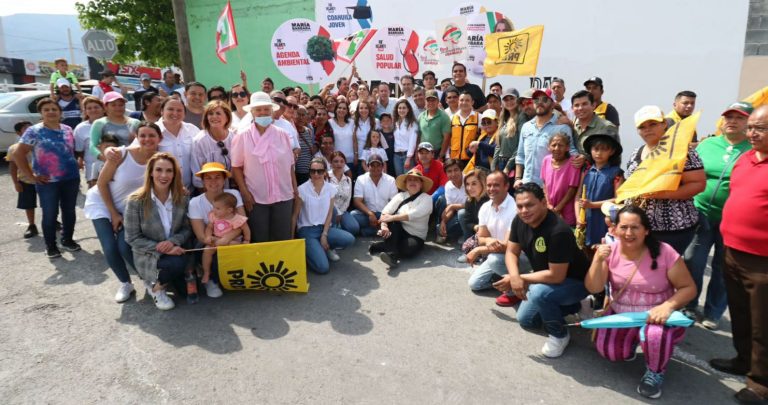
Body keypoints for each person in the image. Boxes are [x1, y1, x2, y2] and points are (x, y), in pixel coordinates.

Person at [585, 205, 696, 399]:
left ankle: (655, 371)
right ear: (614, 229)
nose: (629, 233)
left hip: (657, 317)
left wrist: (667, 306)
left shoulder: (665, 252)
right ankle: (635, 340)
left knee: (654, 335)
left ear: (646, 230)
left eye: (635, 227)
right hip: (622, 315)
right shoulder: (609, 250)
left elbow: (689, 288)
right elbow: (593, 288)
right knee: (610, 353)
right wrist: (597, 260)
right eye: (624, 227)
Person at [711, 105, 768, 403]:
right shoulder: (745, 158)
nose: (753, 133)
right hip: (733, 251)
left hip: (763, 260)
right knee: (741, 313)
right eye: (752, 128)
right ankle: (743, 359)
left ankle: (760, 384)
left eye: (760, 128)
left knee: (763, 323)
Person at [493, 183, 590, 358]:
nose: (524, 210)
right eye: (520, 206)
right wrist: (515, 277)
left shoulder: (558, 231)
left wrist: (520, 278)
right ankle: (576, 306)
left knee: (538, 293)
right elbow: (511, 251)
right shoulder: (519, 220)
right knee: (527, 320)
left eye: (529, 205)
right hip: (547, 278)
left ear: (543, 203)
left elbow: (557, 275)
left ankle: (559, 335)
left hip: (575, 281)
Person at [683, 102, 752, 329]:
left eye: (738, 118)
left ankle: (713, 312)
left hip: (733, 220)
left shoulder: (754, 151)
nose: (731, 121)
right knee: (693, 261)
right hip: (700, 213)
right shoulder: (707, 144)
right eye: (728, 117)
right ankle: (689, 305)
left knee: (725, 268)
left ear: (749, 123)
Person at [84, 122, 161, 303]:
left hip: (130, 209)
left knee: (125, 246)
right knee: (110, 247)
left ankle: (149, 282)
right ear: (136, 137)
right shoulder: (121, 154)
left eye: (152, 135)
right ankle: (125, 283)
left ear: (159, 138)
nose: (147, 139)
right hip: (102, 203)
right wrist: (113, 213)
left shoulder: (160, 159)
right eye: (142, 135)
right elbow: (101, 184)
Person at [626, 106, 705, 255]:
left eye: (653, 124)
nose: (647, 129)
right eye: (642, 127)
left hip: (672, 230)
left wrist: (661, 194)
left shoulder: (682, 151)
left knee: (665, 273)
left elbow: (698, 184)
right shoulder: (636, 153)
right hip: (639, 228)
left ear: (664, 124)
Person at [13, 98, 81, 258]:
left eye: (54, 109)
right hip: (47, 182)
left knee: (69, 212)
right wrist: (32, 176)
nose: (51, 112)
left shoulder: (67, 129)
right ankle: (51, 246)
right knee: (50, 214)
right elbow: (18, 154)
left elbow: (71, 151)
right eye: (46, 109)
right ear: (41, 113)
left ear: (60, 112)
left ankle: (67, 240)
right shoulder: (34, 131)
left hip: (71, 178)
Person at [124, 153, 192, 311]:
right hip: (148, 252)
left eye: (169, 171)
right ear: (151, 172)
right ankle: (155, 288)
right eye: (159, 170)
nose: (164, 175)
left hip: (175, 247)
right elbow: (132, 237)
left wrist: (172, 242)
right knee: (177, 263)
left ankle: (167, 278)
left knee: (185, 293)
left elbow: (187, 228)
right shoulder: (135, 201)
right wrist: (161, 247)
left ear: (174, 174)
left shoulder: (182, 197)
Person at [232, 92, 297, 243]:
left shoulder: (283, 135)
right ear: (252, 112)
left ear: (272, 111)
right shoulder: (242, 136)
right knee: (260, 237)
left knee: (282, 237)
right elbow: (236, 167)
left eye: (266, 109)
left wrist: (295, 189)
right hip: (256, 196)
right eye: (258, 109)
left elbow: (290, 165)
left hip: (283, 194)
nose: (263, 113)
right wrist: (245, 192)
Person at [188, 163, 245, 298]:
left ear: (224, 179)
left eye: (217, 177)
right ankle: (211, 280)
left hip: (232, 237)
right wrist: (217, 240)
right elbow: (201, 235)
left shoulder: (234, 194)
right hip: (210, 240)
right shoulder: (195, 202)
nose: (213, 181)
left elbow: (241, 224)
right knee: (206, 249)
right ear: (202, 181)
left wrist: (226, 239)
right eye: (208, 178)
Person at [292, 158, 356, 273]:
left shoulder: (330, 189)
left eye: (320, 171)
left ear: (325, 172)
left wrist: (324, 235)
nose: (316, 174)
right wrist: (291, 240)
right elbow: (295, 215)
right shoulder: (301, 189)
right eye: (313, 171)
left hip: (324, 228)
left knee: (349, 239)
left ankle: (325, 247)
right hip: (307, 231)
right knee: (323, 268)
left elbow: (330, 213)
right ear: (309, 172)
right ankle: (308, 252)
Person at [467, 171, 521, 296]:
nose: (491, 189)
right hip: (497, 253)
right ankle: (506, 282)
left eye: (496, 185)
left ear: (506, 186)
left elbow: (508, 247)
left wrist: (478, 250)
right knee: (474, 284)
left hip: (517, 256)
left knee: (494, 260)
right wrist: (489, 241)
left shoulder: (515, 209)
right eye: (489, 185)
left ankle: (517, 288)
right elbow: (481, 238)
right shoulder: (485, 207)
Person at [369, 169, 433, 268]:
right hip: (398, 230)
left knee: (408, 251)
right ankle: (392, 256)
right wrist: (384, 225)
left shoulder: (427, 199)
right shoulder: (400, 196)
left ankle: (382, 247)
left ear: (421, 184)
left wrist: (391, 217)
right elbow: (385, 211)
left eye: (416, 180)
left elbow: (414, 214)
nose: (412, 182)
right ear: (406, 184)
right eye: (409, 180)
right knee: (392, 223)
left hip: (416, 235)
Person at [515, 89, 577, 187]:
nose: (539, 103)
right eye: (536, 100)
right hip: (526, 184)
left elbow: (572, 154)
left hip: (550, 186)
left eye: (544, 100)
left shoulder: (562, 128)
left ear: (552, 104)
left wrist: (581, 158)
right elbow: (520, 155)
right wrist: (518, 178)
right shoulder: (526, 126)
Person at [576, 133, 624, 250]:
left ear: (611, 152)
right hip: (586, 220)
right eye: (596, 149)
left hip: (604, 220)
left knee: (604, 251)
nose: (599, 153)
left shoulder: (616, 172)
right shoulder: (586, 171)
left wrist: (592, 205)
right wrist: (578, 218)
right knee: (586, 252)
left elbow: (618, 199)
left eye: (604, 149)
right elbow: (577, 198)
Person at [201, 192, 250, 284]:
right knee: (207, 250)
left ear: (229, 210)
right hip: (217, 240)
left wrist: (247, 240)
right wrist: (208, 236)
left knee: (233, 244)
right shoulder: (214, 216)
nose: (214, 210)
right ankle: (206, 272)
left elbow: (245, 228)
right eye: (214, 207)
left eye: (218, 208)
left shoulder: (237, 218)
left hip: (232, 241)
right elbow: (209, 227)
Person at [155, 98, 199, 190]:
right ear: (162, 111)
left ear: (184, 114)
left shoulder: (192, 130)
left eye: (179, 110)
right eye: (170, 109)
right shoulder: (153, 130)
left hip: (190, 190)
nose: (175, 113)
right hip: (163, 191)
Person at [191, 100, 234, 191]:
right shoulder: (199, 141)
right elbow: (197, 171)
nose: (214, 117)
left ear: (227, 117)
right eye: (210, 114)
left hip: (232, 189)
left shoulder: (234, 137)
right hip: (208, 191)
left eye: (218, 113)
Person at [351, 153, 398, 236]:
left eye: (378, 165)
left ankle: (369, 231)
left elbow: (394, 202)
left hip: (385, 214)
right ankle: (380, 230)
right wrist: (370, 214)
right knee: (353, 215)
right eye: (372, 165)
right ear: (368, 166)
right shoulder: (361, 179)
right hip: (367, 215)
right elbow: (357, 201)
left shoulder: (390, 180)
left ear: (383, 166)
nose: (375, 168)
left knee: (397, 220)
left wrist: (384, 218)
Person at [540, 133, 580, 226]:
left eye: (561, 145)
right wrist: (548, 204)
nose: (557, 148)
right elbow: (544, 184)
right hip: (549, 208)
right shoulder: (546, 160)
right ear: (549, 147)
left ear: (567, 148)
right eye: (554, 145)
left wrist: (558, 208)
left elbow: (572, 190)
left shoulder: (573, 163)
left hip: (566, 210)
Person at [89, 92, 140, 161]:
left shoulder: (135, 123)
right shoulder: (99, 123)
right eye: (113, 105)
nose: (118, 108)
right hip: (107, 163)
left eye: (121, 105)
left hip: (130, 162)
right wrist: (105, 159)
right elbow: (92, 146)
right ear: (106, 107)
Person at [7, 121, 36, 238]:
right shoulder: (13, 148)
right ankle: (32, 225)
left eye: (31, 128)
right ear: (19, 133)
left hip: (44, 179)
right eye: (25, 129)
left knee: (49, 203)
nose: (29, 130)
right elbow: (12, 167)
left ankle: (53, 222)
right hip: (25, 180)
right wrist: (15, 183)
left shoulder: (40, 144)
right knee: (29, 204)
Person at [572, 90, 618, 157]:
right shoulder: (572, 126)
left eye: (584, 104)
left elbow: (613, 156)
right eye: (576, 105)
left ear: (593, 105)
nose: (580, 108)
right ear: (572, 108)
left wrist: (586, 159)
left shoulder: (606, 127)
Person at [457, 169, 489, 262]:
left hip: (490, 232)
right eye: (467, 184)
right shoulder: (469, 200)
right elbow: (467, 220)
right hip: (477, 229)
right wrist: (475, 226)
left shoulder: (490, 200)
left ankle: (481, 252)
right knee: (462, 213)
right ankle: (469, 250)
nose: (470, 188)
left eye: (474, 184)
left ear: (482, 183)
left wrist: (482, 228)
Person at [73, 96, 105, 187]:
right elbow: (79, 150)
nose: (93, 110)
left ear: (103, 109)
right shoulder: (81, 128)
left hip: (115, 168)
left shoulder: (112, 123)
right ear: (85, 111)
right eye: (89, 108)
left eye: (96, 107)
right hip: (92, 170)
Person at [434, 158, 466, 244]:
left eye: (456, 170)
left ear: (461, 170)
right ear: (446, 173)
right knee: (441, 199)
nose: (453, 174)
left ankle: (467, 234)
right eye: (449, 171)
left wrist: (453, 206)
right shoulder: (448, 185)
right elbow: (449, 208)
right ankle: (440, 229)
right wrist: (443, 221)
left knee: (462, 213)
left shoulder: (469, 181)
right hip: (456, 211)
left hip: (470, 213)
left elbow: (475, 205)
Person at [328, 151, 358, 235]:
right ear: (330, 163)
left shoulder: (348, 179)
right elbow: (326, 199)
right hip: (329, 211)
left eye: (342, 161)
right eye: (336, 161)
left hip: (342, 210)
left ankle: (339, 230)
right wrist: (336, 212)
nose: (339, 164)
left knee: (354, 228)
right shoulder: (326, 177)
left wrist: (340, 213)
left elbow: (348, 199)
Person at [493, 88, 521, 174]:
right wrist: (494, 165)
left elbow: (521, 145)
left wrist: (508, 167)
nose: (509, 102)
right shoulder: (503, 118)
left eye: (512, 98)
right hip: (501, 163)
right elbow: (498, 145)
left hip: (513, 164)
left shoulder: (522, 117)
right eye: (506, 99)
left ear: (518, 99)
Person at [449, 92, 481, 167]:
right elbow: (448, 138)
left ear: (472, 102)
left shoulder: (479, 117)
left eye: (467, 100)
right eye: (461, 100)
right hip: (455, 159)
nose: (464, 102)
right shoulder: (452, 118)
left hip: (472, 158)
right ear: (458, 101)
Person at [418, 89, 451, 159]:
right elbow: (418, 135)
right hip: (422, 152)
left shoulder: (444, 117)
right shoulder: (421, 116)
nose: (431, 102)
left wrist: (441, 155)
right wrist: (416, 153)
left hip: (437, 153)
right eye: (428, 100)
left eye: (433, 100)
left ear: (438, 101)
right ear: (425, 101)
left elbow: (446, 138)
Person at [392, 99, 419, 175]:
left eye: (404, 108)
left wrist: (408, 158)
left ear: (408, 109)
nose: (401, 110)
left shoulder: (412, 123)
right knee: (399, 179)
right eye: (399, 108)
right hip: (396, 156)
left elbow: (412, 141)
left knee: (408, 179)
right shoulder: (395, 123)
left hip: (407, 155)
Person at [353, 100, 379, 172]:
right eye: (361, 108)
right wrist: (356, 155)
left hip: (373, 156)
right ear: (358, 110)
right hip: (360, 156)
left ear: (369, 109)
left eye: (366, 108)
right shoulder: (354, 122)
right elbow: (355, 140)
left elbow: (379, 138)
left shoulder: (375, 121)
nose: (363, 110)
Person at [295, 105, 316, 185]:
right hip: (297, 174)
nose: (300, 117)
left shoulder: (309, 131)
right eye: (298, 114)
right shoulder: (292, 131)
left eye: (303, 115)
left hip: (310, 172)